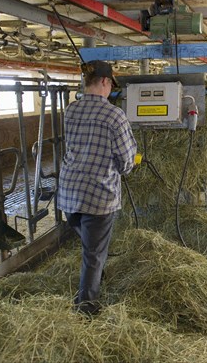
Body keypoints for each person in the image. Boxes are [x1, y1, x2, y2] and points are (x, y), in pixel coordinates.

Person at [57, 60, 137, 316]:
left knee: (92, 247)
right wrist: (131, 163)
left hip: (69, 194)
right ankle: (86, 309)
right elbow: (125, 162)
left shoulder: (71, 111)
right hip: (98, 197)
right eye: (111, 85)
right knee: (93, 255)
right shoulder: (114, 115)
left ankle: (93, 284)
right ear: (104, 82)